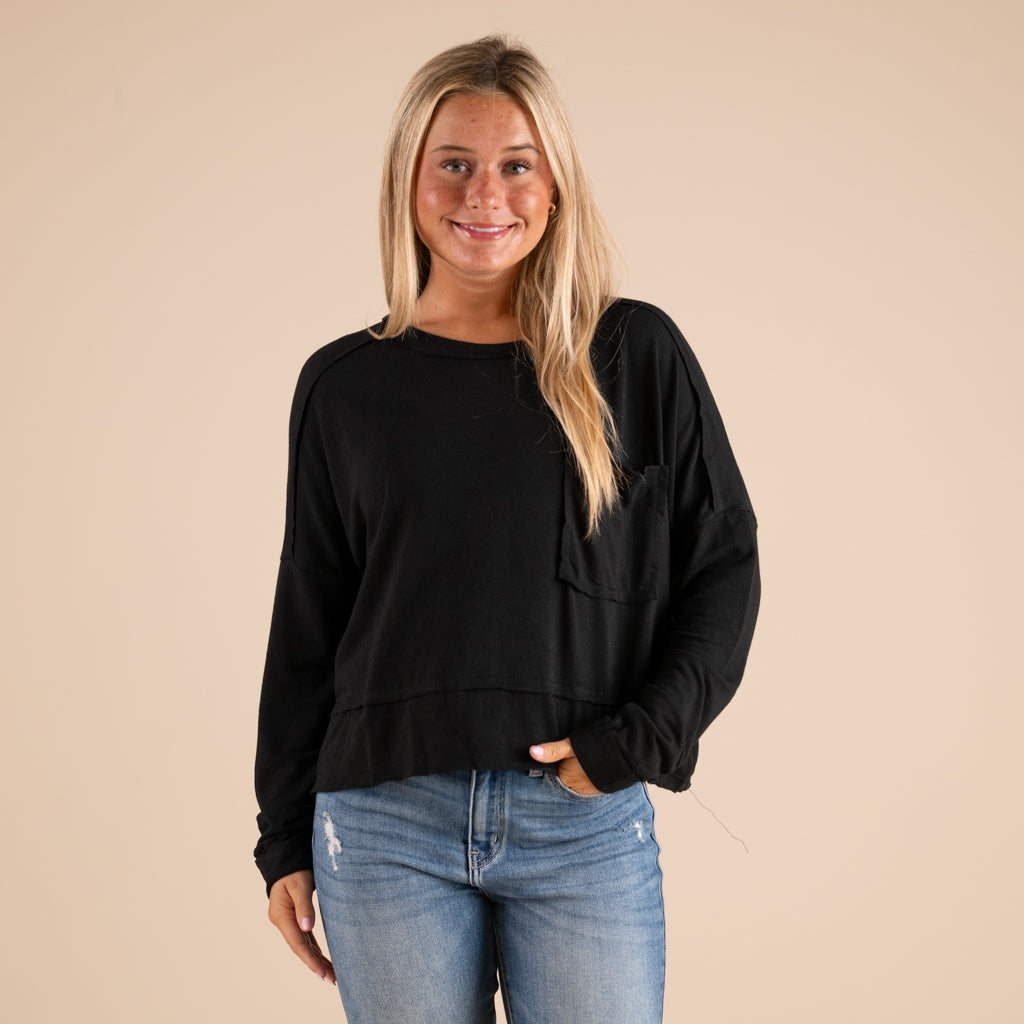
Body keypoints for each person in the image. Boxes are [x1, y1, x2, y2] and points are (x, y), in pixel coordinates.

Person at [254, 34, 759, 1024]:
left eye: (515, 165)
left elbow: (722, 571)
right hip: (381, 818)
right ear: (409, 182)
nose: (485, 193)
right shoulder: (345, 386)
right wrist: (283, 839)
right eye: (455, 163)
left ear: (554, 185)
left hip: (578, 821)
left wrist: (638, 739)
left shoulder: (634, 356)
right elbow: (307, 621)